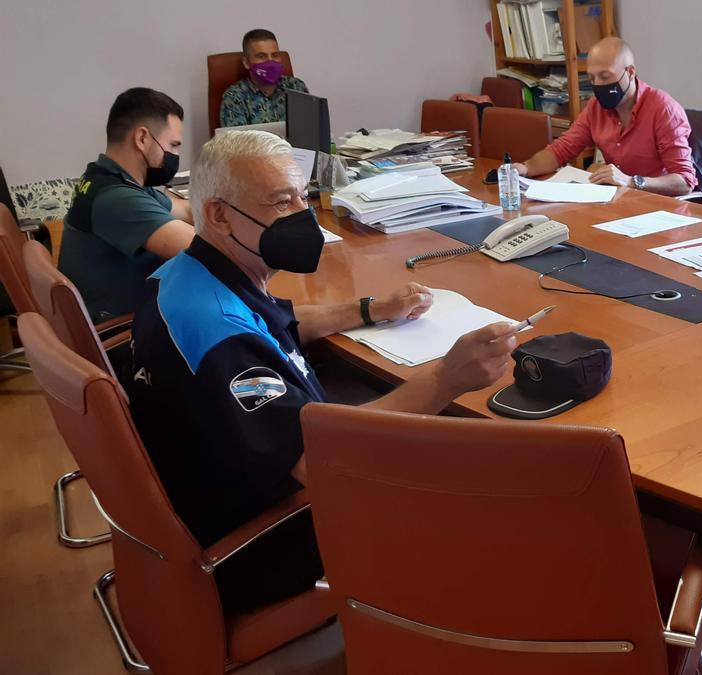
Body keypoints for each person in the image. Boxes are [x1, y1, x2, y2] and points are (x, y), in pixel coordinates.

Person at [127, 131, 518, 612]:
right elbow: (326, 465)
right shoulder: (222, 338)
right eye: (281, 201)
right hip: (261, 540)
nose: (302, 215)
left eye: (302, 196)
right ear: (219, 215)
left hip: (215, 486)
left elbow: (272, 321)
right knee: (493, 472)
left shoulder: (187, 277)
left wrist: (370, 308)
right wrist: (445, 379)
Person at [60, 87, 194, 321]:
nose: (175, 154)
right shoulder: (117, 200)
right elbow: (206, 249)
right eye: (173, 145)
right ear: (142, 138)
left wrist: (226, 209)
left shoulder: (110, 177)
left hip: (138, 307)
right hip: (123, 330)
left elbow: (184, 210)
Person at [514, 37, 697, 197]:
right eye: (592, 78)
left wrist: (633, 182)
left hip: (656, 205)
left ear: (630, 72)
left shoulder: (663, 108)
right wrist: (525, 168)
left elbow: (684, 181)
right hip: (616, 201)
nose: (598, 85)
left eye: (605, 76)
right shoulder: (596, 107)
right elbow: (562, 149)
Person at [218, 29, 309, 128]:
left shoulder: (296, 87)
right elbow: (236, 141)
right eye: (261, 56)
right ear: (246, 63)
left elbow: (311, 129)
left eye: (275, 55)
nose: (270, 62)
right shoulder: (234, 97)